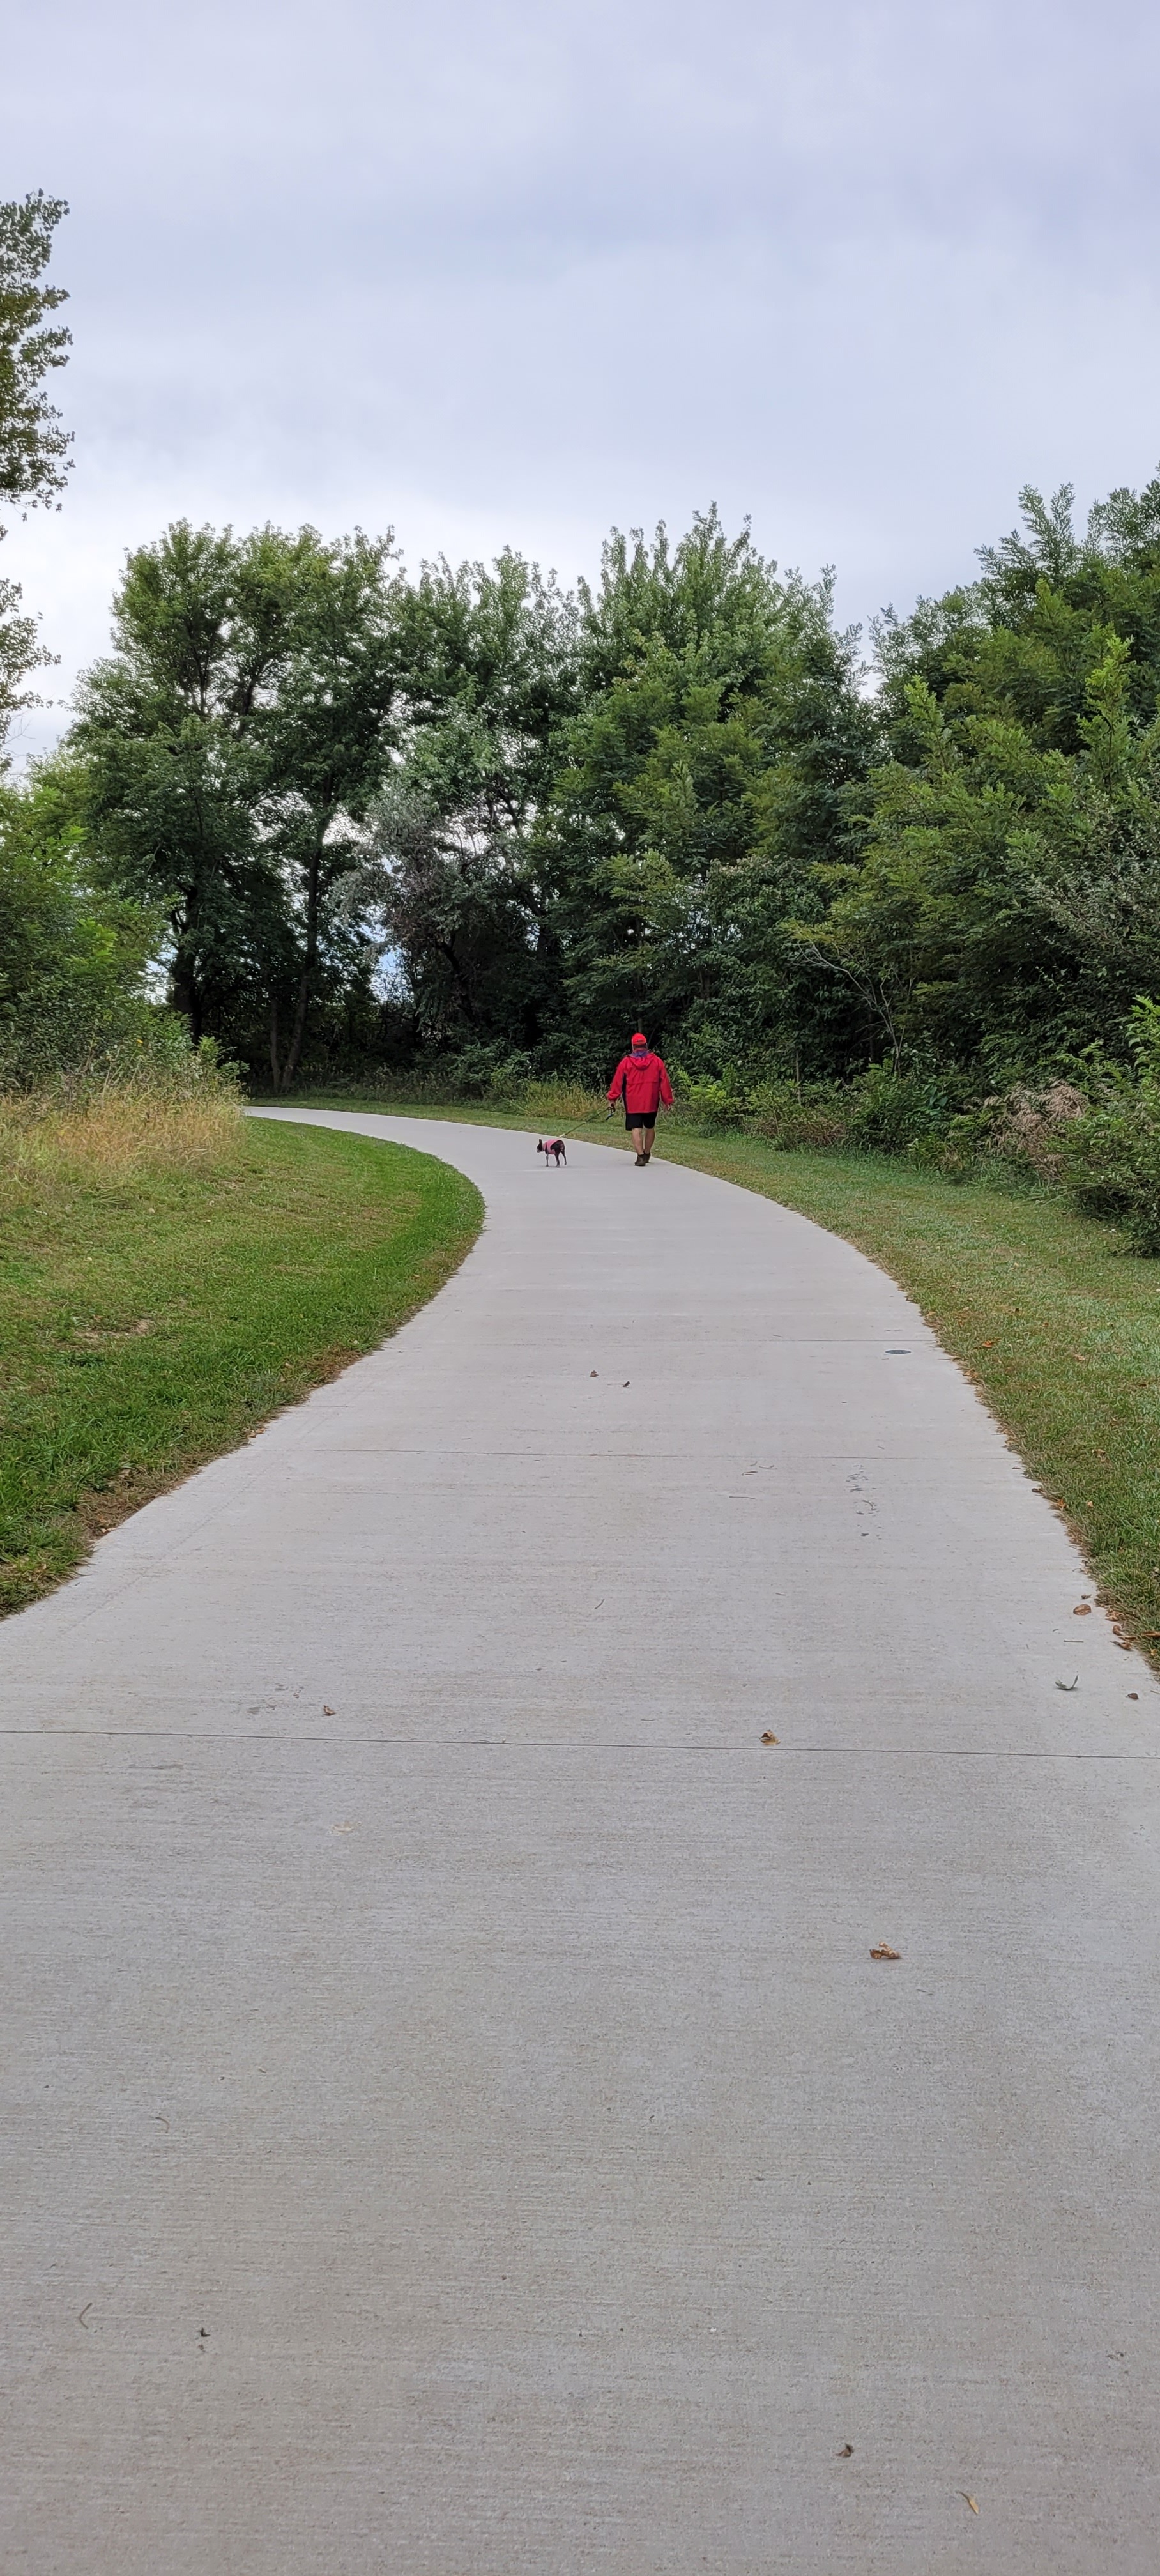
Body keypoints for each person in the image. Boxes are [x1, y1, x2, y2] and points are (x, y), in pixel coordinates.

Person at [606, 1032, 674, 1163]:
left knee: (636, 1128)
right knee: (650, 1127)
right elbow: (665, 1082)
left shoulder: (626, 1062)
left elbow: (617, 1082)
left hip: (633, 1102)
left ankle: (641, 1156)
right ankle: (647, 1153)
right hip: (651, 1101)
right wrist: (667, 1100)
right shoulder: (657, 1062)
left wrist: (612, 1099)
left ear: (633, 1047)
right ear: (646, 1045)